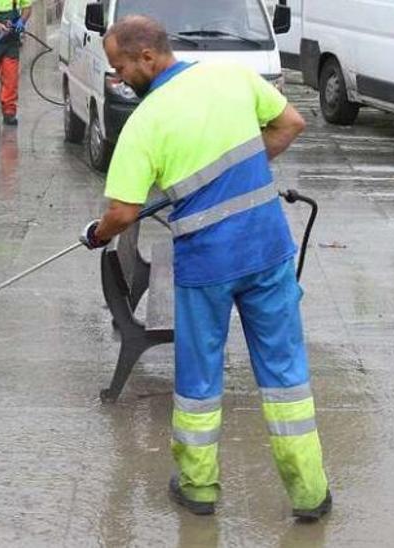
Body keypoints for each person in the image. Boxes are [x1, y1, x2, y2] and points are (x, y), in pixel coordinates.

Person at [78, 16, 331, 521]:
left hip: (207, 264)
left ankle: (197, 487)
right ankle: (309, 493)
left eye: (120, 66)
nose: (118, 77)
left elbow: (123, 212)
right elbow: (290, 124)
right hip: (266, 250)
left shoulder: (145, 123)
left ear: (147, 57)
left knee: (199, 379)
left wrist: (97, 234)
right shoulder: (232, 77)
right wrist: (240, 171)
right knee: (286, 376)